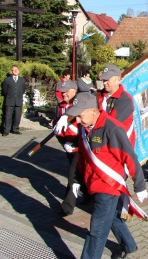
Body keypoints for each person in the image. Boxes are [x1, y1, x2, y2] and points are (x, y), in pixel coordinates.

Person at [65, 93, 148, 259]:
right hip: (92, 183)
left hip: (108, 186)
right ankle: (129, 245)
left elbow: (129, 156)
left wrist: (140, 184)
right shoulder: (84, 127)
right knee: (110, 218)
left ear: (93, 111)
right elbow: (82, 155)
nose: (78, 121)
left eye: (80, 116)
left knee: (96, 230)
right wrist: (76, 180)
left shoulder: (112, 128)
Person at [53, 80, 89, 216]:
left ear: (75, 91)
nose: (64, 94)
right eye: (62, 91)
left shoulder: (82, 105)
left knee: (72, 175)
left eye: (67, 91)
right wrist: (64, 143)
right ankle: (88, 196)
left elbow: (86, 128)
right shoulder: (59, 107)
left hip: (80, 147)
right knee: (81, 173)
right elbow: (56, 129)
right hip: (68, 147)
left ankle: (67, 207)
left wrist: (77, 143)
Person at [96, 65, 135, 146]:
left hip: (120, 145)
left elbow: (111, 122)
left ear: (118, 80)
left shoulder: (125, 99)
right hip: (102, 141)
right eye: (104, 80)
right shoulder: (99, 95)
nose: (104, 83)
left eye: (108, 80)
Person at [1, 65, 26, 136]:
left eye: (16, 70)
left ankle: (15, 129)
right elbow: (4, 91)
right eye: (13, 70)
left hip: (18, 100)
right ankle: (6, 131)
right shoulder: (7, 80)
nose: (15, 71)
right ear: (11, 71)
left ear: (18, 71)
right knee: (8, 116)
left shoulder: (22, 80)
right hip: (9, 101)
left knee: (17, 116)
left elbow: (23, 90)